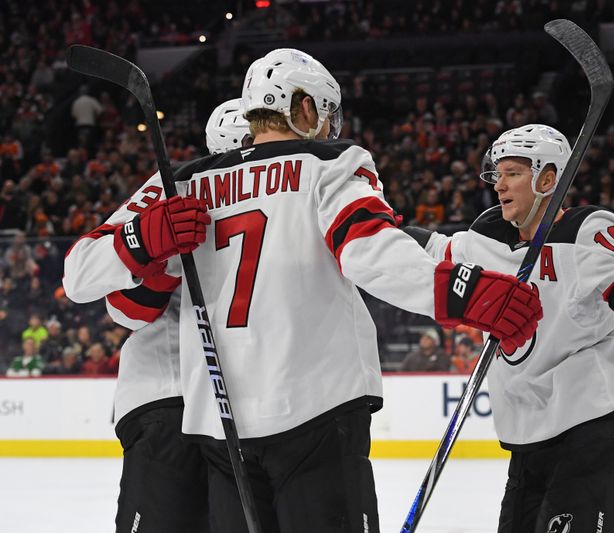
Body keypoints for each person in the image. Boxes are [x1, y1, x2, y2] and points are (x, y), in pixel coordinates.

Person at [161, 48, 539, 532]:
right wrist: (466, 294)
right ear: (301, 107)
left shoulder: (187, 182)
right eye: (323, 112)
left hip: (219, 426)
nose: (326, 127)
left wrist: (136, 244)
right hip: (314, 415)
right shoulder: (331, 161)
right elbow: (368, 252)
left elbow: (93, 279)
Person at [403, 124, 614, 533]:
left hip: (596, 419)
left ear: (547, 179)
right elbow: (430, 249)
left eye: (512, 173)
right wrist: (367, 230)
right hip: (532, 433)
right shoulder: (485, 237)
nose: (499, 184)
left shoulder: (586, 231)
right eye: (498, 174)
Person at [62, 98, 251, 533]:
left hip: (250, 415)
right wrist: (144, 241)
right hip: (172, 401)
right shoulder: (179, 184)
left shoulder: (292, 191)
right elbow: (83, 274)